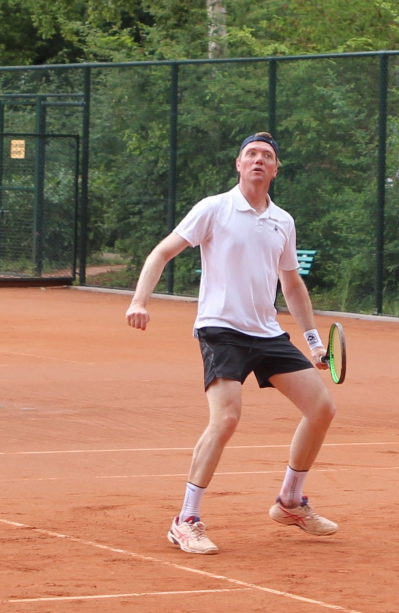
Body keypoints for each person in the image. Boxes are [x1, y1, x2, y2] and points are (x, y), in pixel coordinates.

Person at [126, 132, 337, 554]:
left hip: (267, 332)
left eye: (267, 156)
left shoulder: (282, 221)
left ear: (275, 169)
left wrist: (314, 341)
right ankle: (185, 520)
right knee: (226, 418)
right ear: (238, 165)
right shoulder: (213, 208)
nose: (259, 160)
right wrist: (139, 300)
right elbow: (162, 252)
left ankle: (290, 501)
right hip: (221, 330)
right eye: (251, 154)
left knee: (322, 408)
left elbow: (292, 284)